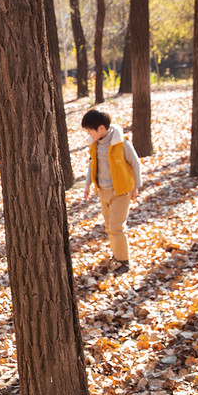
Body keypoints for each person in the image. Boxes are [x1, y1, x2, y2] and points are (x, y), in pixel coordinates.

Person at [81, 109, 142, 275]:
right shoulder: (95, 144)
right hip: (103, 191)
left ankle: (124, 261)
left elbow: (135, 163)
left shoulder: (121, 143)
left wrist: (136, 185)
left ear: (101, 128)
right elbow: (91, 164)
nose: (88, 133)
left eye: (89, 130)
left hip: (121, 191)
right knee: (109, 227)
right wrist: (87, 185)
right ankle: (117, 255)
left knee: (116, 227)